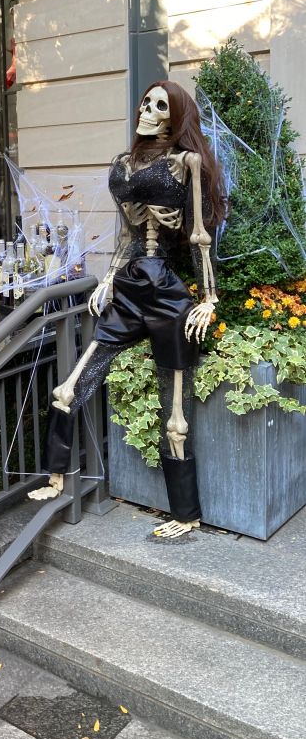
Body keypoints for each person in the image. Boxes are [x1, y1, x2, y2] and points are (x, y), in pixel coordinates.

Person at [29, 82, 225, 538]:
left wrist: (208, 298)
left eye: (160, 105)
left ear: (174, 117)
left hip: (166, 292)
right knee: (70, 385)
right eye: (145, 101)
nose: (148, 109)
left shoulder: (186, 162)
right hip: (131, 285)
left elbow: (198, 235)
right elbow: (126, 236)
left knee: (174, 414)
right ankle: (56, 476)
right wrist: (109, 278)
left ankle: (185, 513)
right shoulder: (124, 163)